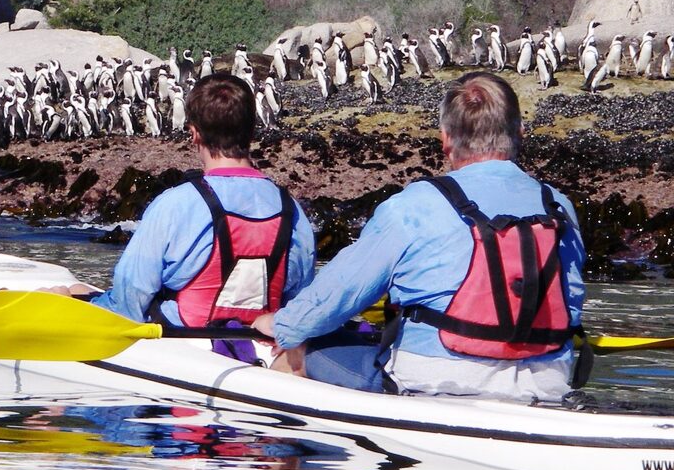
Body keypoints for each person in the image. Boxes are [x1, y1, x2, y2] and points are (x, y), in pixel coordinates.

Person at [253, 72, 586, 402]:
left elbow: (340, 293)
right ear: (519, 132)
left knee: (298, 351)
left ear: (445, 139)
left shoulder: (413, 206)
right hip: (547, 382)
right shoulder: (558, 206)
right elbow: (570, 300)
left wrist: (283, 326)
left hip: (435, 379)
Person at [57, 73, 315, 364]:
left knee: (70, 291)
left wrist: (67, 304)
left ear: (194, 134)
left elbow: (129, 304)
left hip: (184, 343)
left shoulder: (174, 204)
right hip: (262, 344)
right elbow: (300, 298)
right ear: (252, 131)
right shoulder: (291, 210)